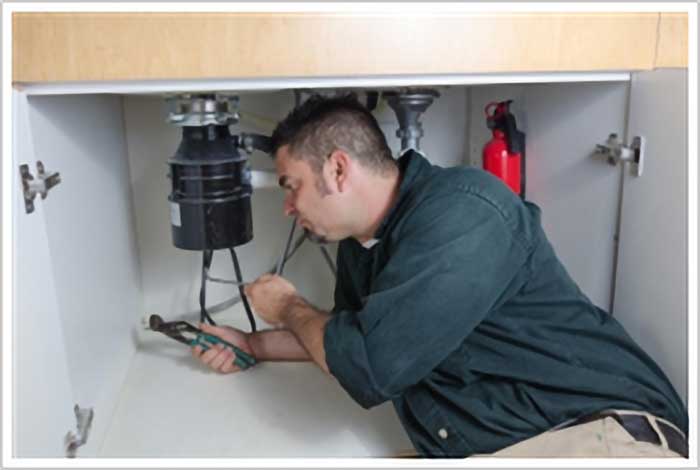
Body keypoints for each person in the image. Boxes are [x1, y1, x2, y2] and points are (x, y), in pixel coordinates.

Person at [192, 94, 688, 458]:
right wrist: (253, 344)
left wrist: (285, 305)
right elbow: (345, 340)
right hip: (513, 443)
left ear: (338, 169)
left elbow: (368, 366)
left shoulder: (464, 213)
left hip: (597, 437)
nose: (287, 207)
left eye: (292, 186)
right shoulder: (361, 246)